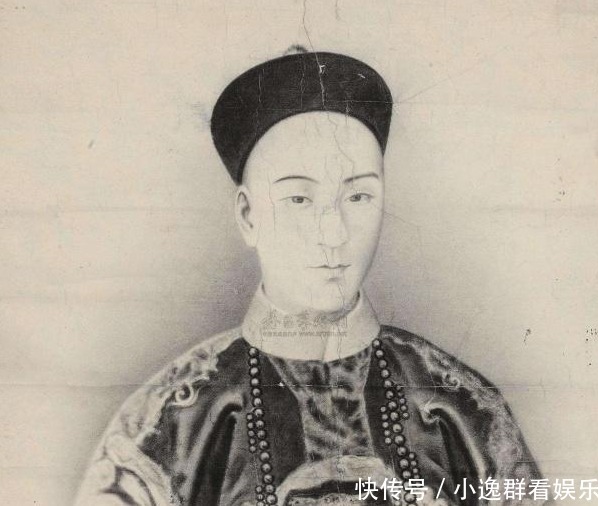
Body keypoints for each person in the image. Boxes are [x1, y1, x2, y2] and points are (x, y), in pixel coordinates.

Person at [76, 51, 542, 506]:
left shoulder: (463, 409)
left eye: (358, 197)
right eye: (299, 200)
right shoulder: (167, 424)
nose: (334, 233)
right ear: (248, 215)